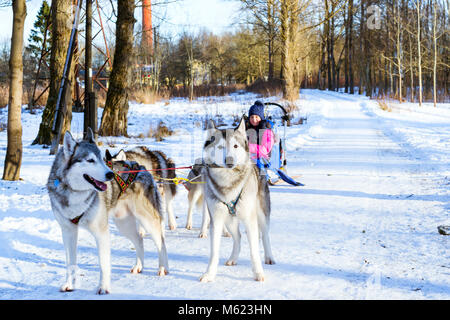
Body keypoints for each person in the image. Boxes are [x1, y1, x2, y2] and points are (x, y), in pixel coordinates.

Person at [245, 101, 275, 171]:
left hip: (263, 158)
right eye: (251, 117)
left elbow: (265, 150)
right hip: (249, 157)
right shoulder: (246, 129)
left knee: (258, 164)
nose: (254, 119)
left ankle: (263, 179)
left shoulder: (267, 131)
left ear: (261, 117)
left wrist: (247, 146)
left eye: (256, 117)